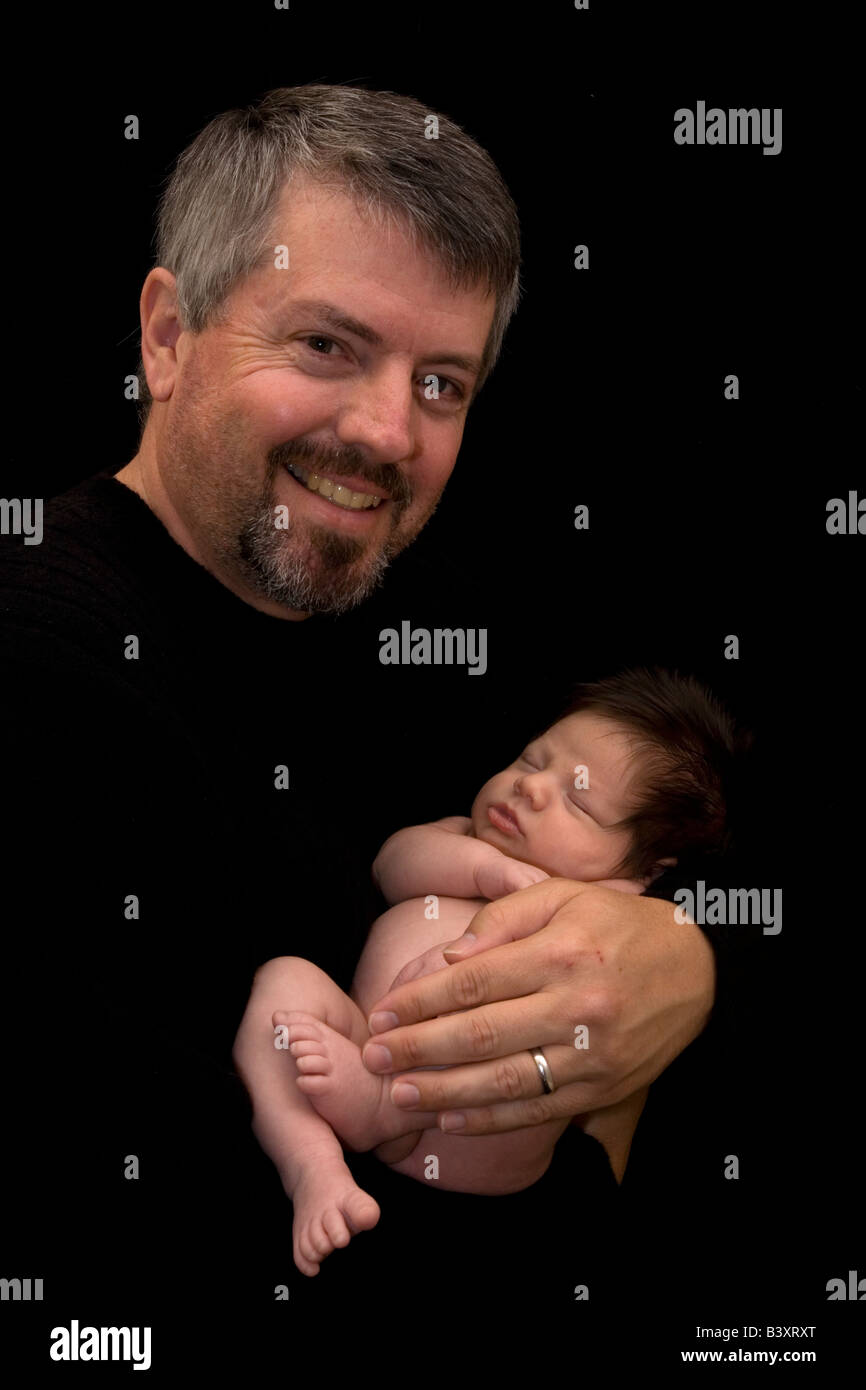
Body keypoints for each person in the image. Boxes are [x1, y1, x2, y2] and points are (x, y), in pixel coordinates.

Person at [0, 85, 724, 1318]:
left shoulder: (444, 619)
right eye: (327, 345)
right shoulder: (42, 659)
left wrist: (679, 964)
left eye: (440, 383)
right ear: (167, 335)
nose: (389, 433)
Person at [233, 666, 749, 1276]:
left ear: (644, 871)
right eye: (531, 763)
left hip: (468, 1134)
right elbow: (391, 864)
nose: (530, 789)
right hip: (359, 1042)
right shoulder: (461, 839)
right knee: (282, 983)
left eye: (579, 802)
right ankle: (313, 1167)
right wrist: (481, 870)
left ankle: (384, 1106)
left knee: (534, 1025)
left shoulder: (611, 910)